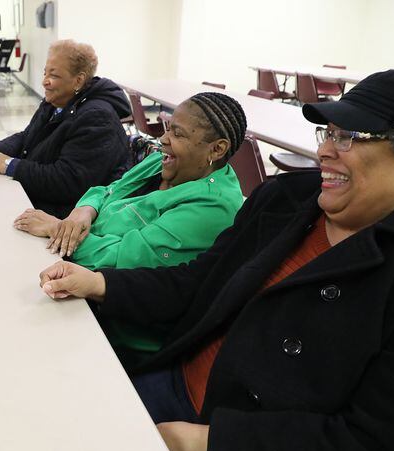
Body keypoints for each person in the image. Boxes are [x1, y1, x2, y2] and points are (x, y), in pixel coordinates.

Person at [38, 69, 394, 451]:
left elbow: (377, 440)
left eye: (348, 137)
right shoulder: (285, 200)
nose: (325, 150)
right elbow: (201, 280)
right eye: (328, 132)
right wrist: (98, 283)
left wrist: (210, 443)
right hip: (174, 380)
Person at [16, 93, 245, 366]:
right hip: (77, 276)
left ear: (217, 149)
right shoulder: (164, 162)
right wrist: (83, 212)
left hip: (116, 329)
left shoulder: (212, 207)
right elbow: (108, 190)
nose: (163, 139)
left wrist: (57, 228)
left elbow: (120, 262)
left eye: (178, 134)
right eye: (168, 127)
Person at [0, 39, 131, 219]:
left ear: (78, 80)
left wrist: (6, 165)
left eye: (53, 76)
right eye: (45, 73)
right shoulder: (55, 103)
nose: (45, 82)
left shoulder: (97, 118)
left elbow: (66, 181)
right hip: (41, 198)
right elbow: (26, 137)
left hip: (64, 216)